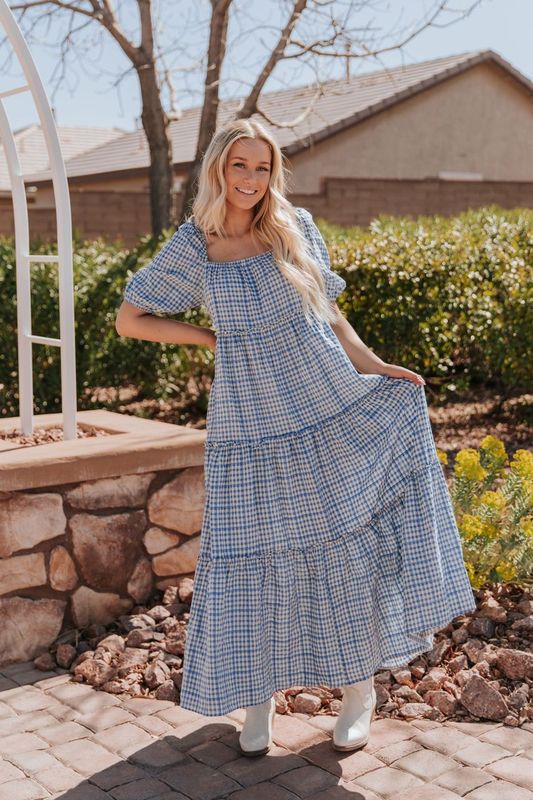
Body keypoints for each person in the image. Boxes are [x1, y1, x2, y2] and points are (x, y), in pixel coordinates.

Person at [115, 118, 476, 757]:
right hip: (247, 423)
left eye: (262, 167)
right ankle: (258, 704)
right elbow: (131, 320)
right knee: (249, 554)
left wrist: (375, 366)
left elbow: (330, 315)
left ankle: (358, 690)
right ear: (218, 170)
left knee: (340, 545)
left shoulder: (294, 227)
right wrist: (213, 339)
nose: (251, 180)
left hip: (322, 402)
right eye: (239, 166)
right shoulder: (195, 244)